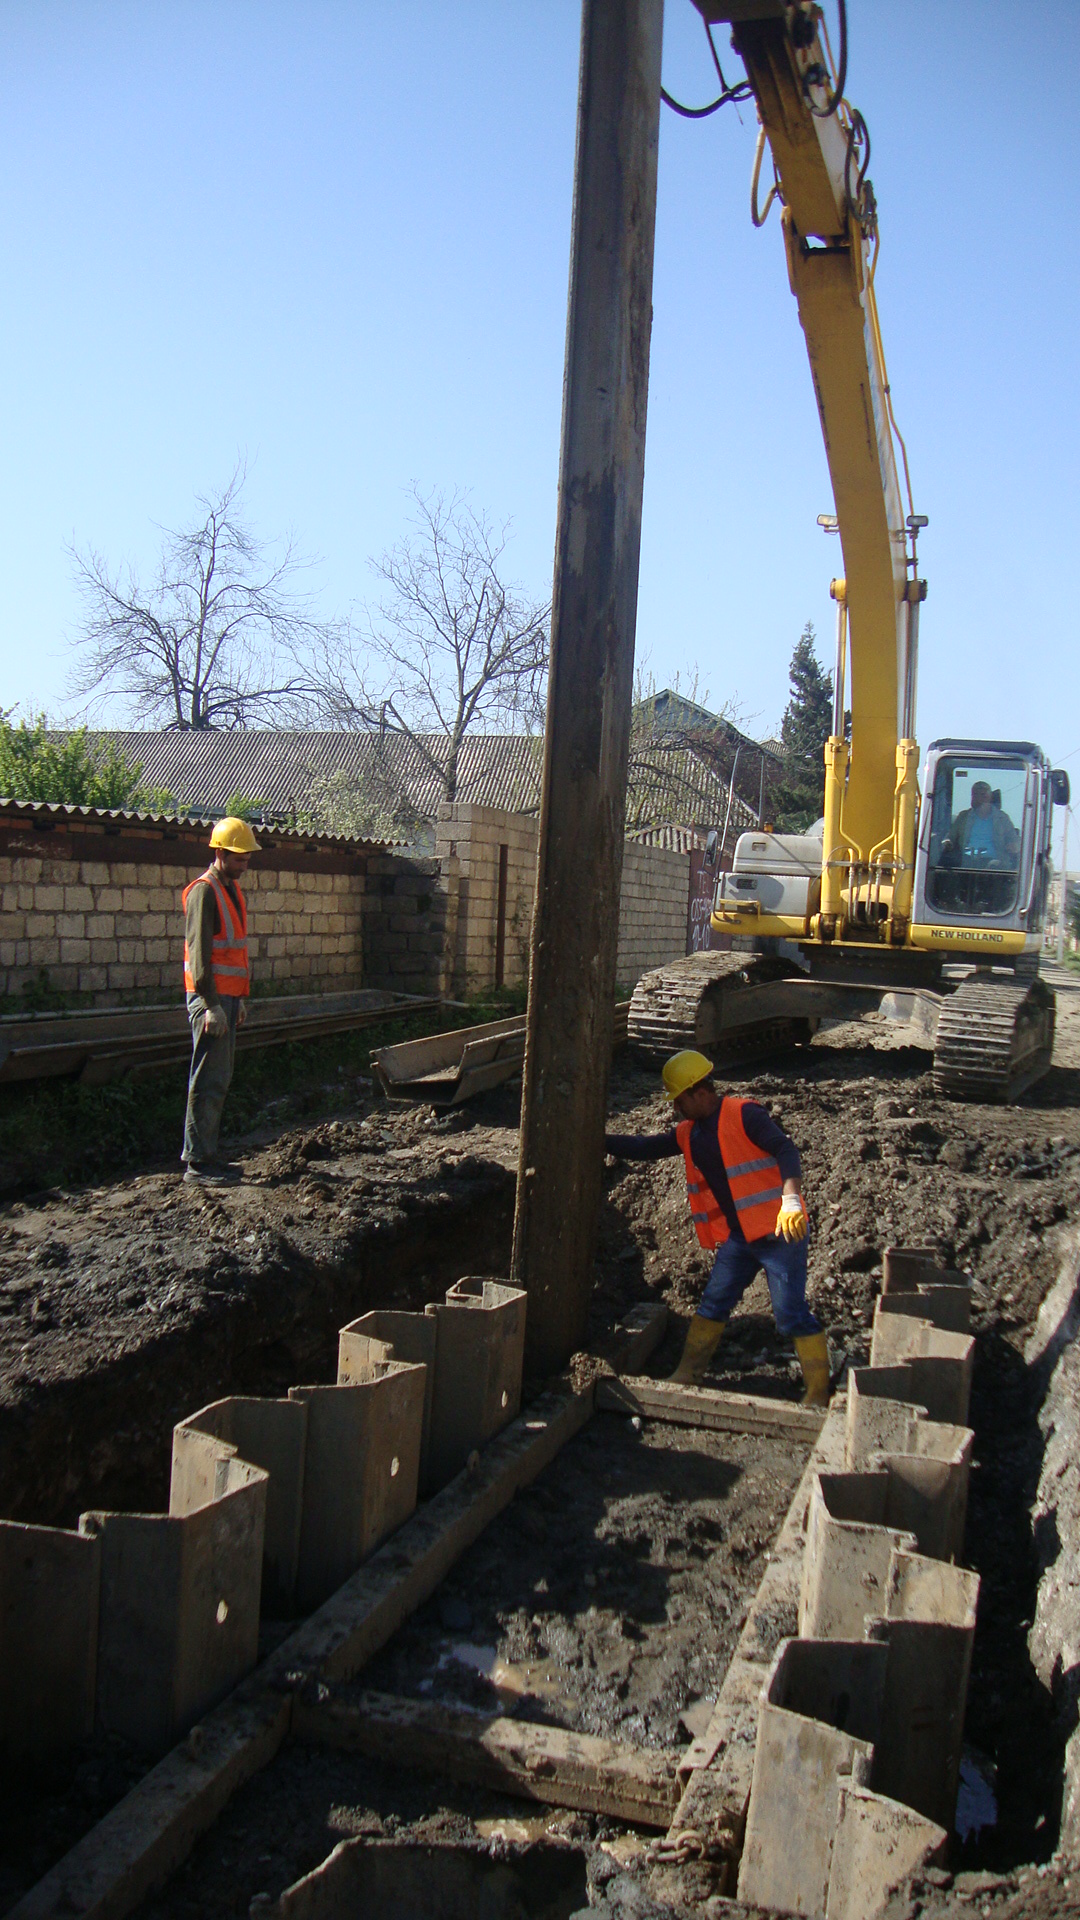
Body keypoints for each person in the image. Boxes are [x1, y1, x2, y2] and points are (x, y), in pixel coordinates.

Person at [604, 1049, 829, 1405]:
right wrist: (599, 1139)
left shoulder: (745, 1114)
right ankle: (688, 1374)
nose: (675, 1108)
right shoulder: (689, 1133)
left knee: (789, 1313)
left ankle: (817, 1390)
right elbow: (645, 1147)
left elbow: (786, 1151)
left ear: (700, 1092)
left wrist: (791, 1201)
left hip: (779, 1234)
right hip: (742, 1238)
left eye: (679, 1100)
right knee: (713, 1302)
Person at [180, 816, 258, 1185]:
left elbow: (234, 955)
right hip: (209, 1000)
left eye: (246, 858)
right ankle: (197, 1163)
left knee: (219, 1078)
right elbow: (200, 956)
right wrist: (211, 1005)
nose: (244, 865)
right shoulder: (204, 891)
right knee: (208, 1079)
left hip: (226, 999)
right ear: (219, 852)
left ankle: (207, 1155)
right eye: (238, 858)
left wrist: (238, 999)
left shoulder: (230, 889)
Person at [941, 781, 1020, 868]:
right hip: (966, 860)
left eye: (983, 795)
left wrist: (1013, 845)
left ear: (990, 797)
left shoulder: (1002, 818)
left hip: (993, 862)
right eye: (975, 795)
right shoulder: (963, 817)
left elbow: (1014, 840)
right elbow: (950, 837)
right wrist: (947, 843)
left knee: (994, 866)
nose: (979, 798)